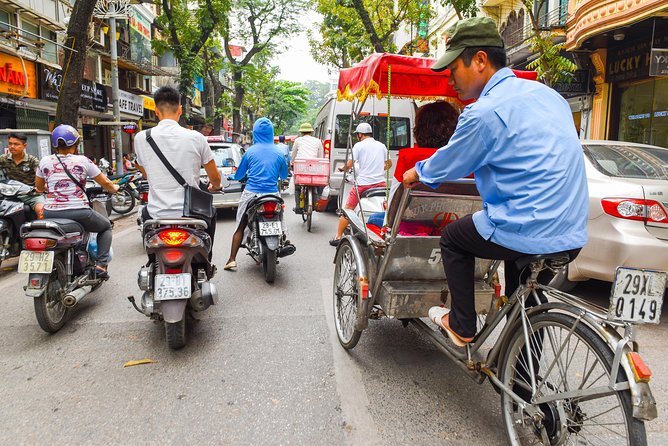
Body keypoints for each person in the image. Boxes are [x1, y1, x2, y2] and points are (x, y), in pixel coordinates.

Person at [401, 17, 588, 346]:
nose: (451, 79)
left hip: (526, 227)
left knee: (454, 238)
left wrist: (416, 172)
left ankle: (462, 324)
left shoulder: (483, 112)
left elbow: (447, 163)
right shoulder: (550, 97)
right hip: (572, 232)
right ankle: (522, 389)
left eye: (454, 68)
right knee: (524, 307)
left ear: (479, 61)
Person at [133, 86, 222, 248]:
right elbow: (215, 177)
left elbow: (145, 172)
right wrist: (215, 186)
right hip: (192, 213)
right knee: (212, 214)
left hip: (156, 213)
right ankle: (206, 261)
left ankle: (152, 261)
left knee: (143, 219)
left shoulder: (141, 138)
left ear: (156, 111)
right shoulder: (197, 138)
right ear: (180, 110)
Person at [34, 125, 119, 278]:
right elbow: (105, 183)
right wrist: (114, 188)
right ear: (75, 143)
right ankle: (101, 265)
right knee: (106, 227)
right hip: (79, 212)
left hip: (50, 212)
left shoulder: (44, 161)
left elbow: (39, 187)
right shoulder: (83, 161)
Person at [224, 117, 290, 271]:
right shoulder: (279, 152)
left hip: (251, 194)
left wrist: (233, 177)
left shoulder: (250, 152)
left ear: (255, 133)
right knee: (280, 218)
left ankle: (232, 259)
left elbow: (239, 175)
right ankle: (284, 239)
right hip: (272, 194)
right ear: (271, 133)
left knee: (240, 224)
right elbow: (284, 175)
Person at [329, 122, 390, 246]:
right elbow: (389, 164)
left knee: (348, 210)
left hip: (363, 185)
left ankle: (338, 236)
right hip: (381, 184)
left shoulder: (359, 146)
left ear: (360, 134)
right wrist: (378, 168)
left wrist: (342, 168)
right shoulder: (382, 145)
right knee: (388, 207)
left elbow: (350, 164)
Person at [0, 133, 45, 219]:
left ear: (24, 146)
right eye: (10, 144)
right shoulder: (3, 159)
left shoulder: (32, 161)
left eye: (16, 144)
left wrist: (41, 188)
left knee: (42, 211)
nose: (12, 146)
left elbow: (42, 177)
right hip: (9, 194)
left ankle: (41, 231)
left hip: (30, 194)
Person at [290, 122, 324, 213]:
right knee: (316, 185)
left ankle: (298, 207)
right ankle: (317, 202)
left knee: (297, 187)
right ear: (311, 132)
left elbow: (293, 154)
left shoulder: (298, 140)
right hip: (314, 168)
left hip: (301, 168)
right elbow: (321, 157)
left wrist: (292, 163)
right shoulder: (318, 141)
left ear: (301, 132)